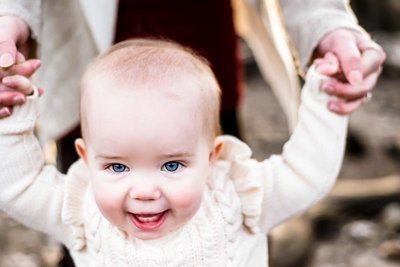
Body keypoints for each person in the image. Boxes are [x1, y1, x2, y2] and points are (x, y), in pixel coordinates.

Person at [1, 38, 360, 266]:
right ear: (85, 157)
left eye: (171, 164)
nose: (143, 191)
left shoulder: (236, 198)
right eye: (117, 167)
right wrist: (12, 117)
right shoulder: (82, 211)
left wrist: (326, 99)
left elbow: (305, 173)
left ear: (211, 158)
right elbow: (18, 185)